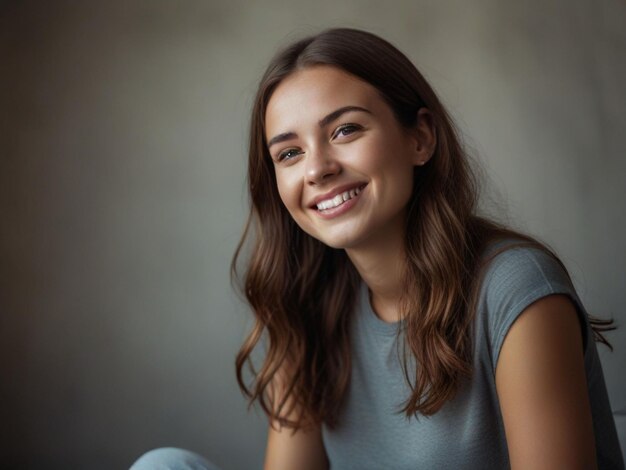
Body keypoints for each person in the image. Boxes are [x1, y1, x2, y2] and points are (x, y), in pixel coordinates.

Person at [131, 27, 624, 469]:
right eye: (289, 153)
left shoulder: (517, 291)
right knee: (164, 466)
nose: (317, 168)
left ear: (420, 138)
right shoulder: (308, 308)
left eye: (345, 130)